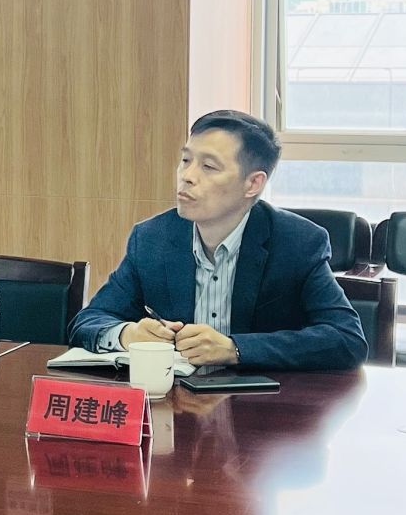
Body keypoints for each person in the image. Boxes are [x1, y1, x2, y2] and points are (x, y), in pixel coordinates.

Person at [69, 111, 365, 371]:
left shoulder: (298, 243)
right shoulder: (152, 238)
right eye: (186, 160)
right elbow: (87, 322)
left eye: (208, 167)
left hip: (260, 407)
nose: (187, 176)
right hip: (174, 404)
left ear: (253, 183)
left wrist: (234, 349)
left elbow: (347, 339)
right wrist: (126, 334)